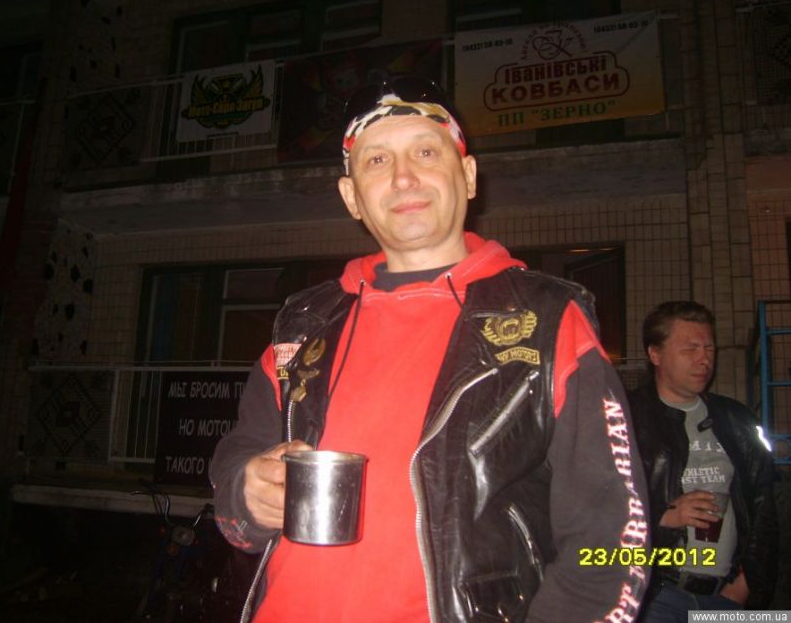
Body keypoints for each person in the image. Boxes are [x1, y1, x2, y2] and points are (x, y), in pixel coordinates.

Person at [209, 76, 649, 623]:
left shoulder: (547, 320)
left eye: (425, 151)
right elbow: (239, 454)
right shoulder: (303, 324)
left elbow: (614, 544)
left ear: (468, 176)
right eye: (377, 160)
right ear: (351, 197)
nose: (403, 177)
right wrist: (246, 493)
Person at [628, 301, 777, 622]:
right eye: (690, 348)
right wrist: (663, 516)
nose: (704, 358)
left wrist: (746, 583)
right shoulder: (624, 418)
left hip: (726, 597)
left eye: (709, 348)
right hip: (654, 595)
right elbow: (593, 504)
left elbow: (764, 505)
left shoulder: (737, 419)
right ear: (655, 354)